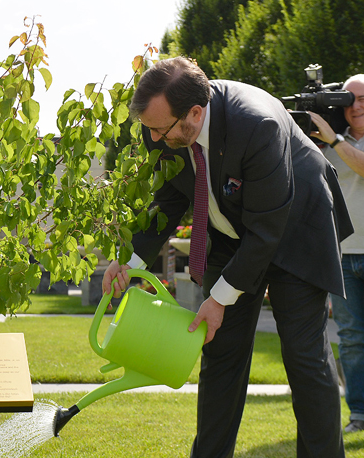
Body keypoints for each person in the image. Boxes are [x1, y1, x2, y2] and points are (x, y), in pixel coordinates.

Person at [102, 56, 353, 457]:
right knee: (220, 356)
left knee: (304, 358)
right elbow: (168, 200)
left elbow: (266, 230)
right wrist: (129, 261)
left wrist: (219, 298)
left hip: (298, 230)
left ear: (195, 113)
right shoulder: (165, 129)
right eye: (148, 128)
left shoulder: (257, 124)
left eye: (160, 129)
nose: (153, 139)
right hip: (232, 237)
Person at [309, 75, 364, 434]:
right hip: (342, 255)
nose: (356, 106)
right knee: (352, 338)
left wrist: (335, 140)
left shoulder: (335, 141)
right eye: (349, 99)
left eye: (363, 99)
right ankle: (359, 414)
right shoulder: (328, 142)